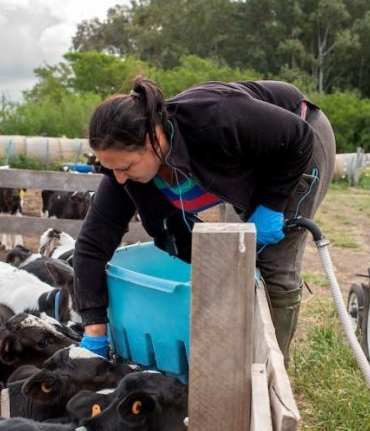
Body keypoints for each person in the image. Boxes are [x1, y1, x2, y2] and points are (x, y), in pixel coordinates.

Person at [73, 76, 336, 366]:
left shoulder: (213, 118)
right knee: (239, 257)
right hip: (255, 156)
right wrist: (94, 329)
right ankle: (233, 350)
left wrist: (272, 204)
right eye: (112, 169)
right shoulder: (124, 175)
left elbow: (297, 137)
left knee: (273, 260)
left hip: (297, 142)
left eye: (125, 166)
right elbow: (91, 245)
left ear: (153, 140)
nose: (119, 177)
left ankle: (271, 369)